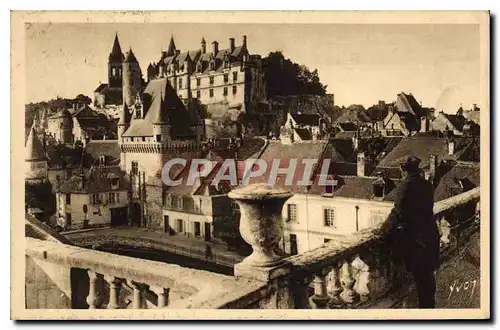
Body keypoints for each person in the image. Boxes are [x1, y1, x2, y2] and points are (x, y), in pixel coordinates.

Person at [378, 155, 440, 308]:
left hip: (417, 239)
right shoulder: (427, 185)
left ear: (402, 170)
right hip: (430, 234)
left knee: (419, 279)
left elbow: (397, 213)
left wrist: (383, 232)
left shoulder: (405, 187)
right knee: (428, 279)